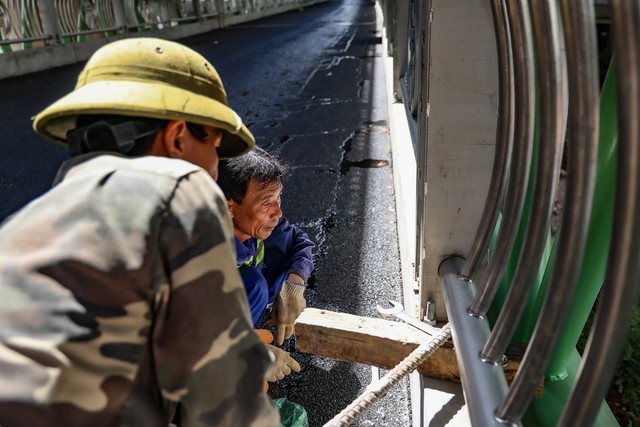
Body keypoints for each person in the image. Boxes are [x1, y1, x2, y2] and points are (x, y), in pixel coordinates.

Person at [0, 38, 279, 427]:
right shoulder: (179, 183)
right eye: (215, 146)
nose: (216, 168)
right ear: (178, 136)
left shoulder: (22, 226)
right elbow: (225, 401)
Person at [216, 147, 315, 381]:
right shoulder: (203, 254)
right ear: (229, 207)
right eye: (265, 203)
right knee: (252, 282)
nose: (278, 212)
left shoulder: (260, 225)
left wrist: (294, 286)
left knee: (277, 260)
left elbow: (299, 243)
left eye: (278, 198)